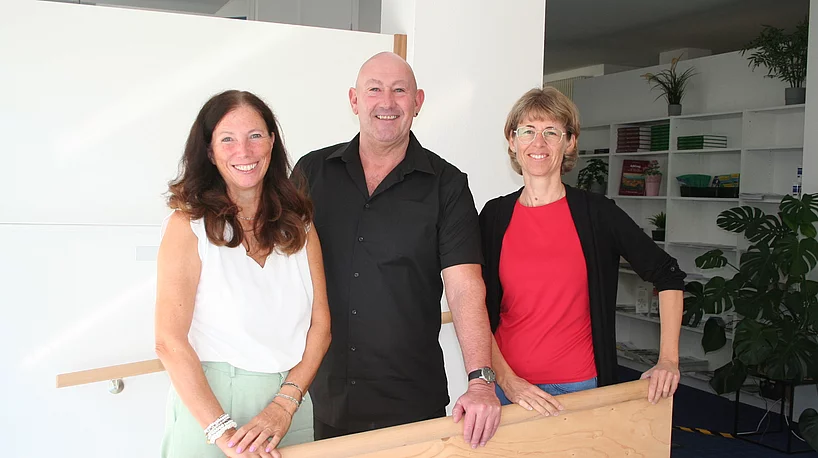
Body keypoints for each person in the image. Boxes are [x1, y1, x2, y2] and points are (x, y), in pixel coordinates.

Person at [293, 52, 501, 448]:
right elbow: (278, 264)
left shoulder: (448, 185)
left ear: (418, 102)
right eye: (374, 90)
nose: (386, 102)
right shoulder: (311, 172)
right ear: (354, 100)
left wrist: (480, 381)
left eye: (399, 91)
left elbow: (464, 287)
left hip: (410, 402)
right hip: (321, 397)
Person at [479, 87, 685, 417]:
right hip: (508, 389)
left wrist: (668, 360)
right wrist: (506, 380)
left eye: (551, 132)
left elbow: (668, 274)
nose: (539, 143)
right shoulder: (494, 216)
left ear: (570, 141)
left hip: (577, 388)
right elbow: (476, 306)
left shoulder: (597, 214)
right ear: (512, 140)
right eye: (528, 131)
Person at [155, 90, 331, 458]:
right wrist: (224, 434)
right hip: (209, 410)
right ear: (209, 151)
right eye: (227, 139)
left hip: (290, 404)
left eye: (255, 136)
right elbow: (169, 341)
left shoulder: (300, 225)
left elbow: (321, 327)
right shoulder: (188, 226)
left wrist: (285, 404)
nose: (244, 151)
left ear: (271, 141)